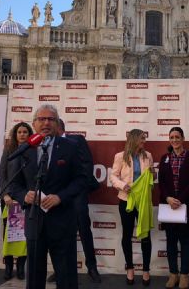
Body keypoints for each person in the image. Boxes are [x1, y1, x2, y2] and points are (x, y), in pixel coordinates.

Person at [9, 104, 86, 289]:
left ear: (57, 123)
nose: (46, 123)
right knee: (34, 278)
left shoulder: (71, 147)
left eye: (51, 119)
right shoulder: (24, 149)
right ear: (34, 124)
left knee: (66, 276)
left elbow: (82, 180)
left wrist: (61, 197)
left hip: (63, 222)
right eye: (41, 119)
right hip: (34, 222)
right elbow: (13, 184)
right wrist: (23, 196)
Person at [48, 119, 102, 283]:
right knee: (59, 232)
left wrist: (79, 188)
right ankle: (60, 269)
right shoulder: (48, 144)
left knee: (84, 229)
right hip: (57, 196)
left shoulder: (77, 140)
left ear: (60, 127)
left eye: (52, 124)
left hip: (77, 193)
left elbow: (87, 165)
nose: (48, 127)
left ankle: (92, 267)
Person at [110, 129, 154, 286]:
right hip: (126, 200)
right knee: (127, 234)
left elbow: (151, 178)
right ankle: (129, 268)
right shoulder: (120, 156)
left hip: (143, 201)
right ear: (135, 139)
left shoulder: (148, 155)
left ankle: (146, 269)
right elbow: (113, 176)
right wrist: (123, 185)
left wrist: (153, 174)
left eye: (145, 139)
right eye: (142, 138)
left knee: (145, 235)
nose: (145, 141)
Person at [158, 127, 189, 289]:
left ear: (183, 138)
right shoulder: (164, 158)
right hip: (169, 207)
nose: (174, 140)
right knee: (170, 242)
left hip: (185, 206)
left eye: (177, 137)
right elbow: (161, 182)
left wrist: (179, 200)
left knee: (185, 242)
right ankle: (173, 274)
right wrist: (168, 198)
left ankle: (184, 275)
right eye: (172, 137)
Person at [0, 122, 33, 280]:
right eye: (19, 132)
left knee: (24, 235)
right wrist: (5, 195)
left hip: (26, 199)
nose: (22, 134)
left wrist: (27, 196)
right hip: (9, 199)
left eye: (25, 132)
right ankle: (8, 267)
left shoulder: (34, 151)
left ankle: (20, 267)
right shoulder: (9, 150)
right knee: (9, 234)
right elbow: (2, 174)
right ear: (15, 134)